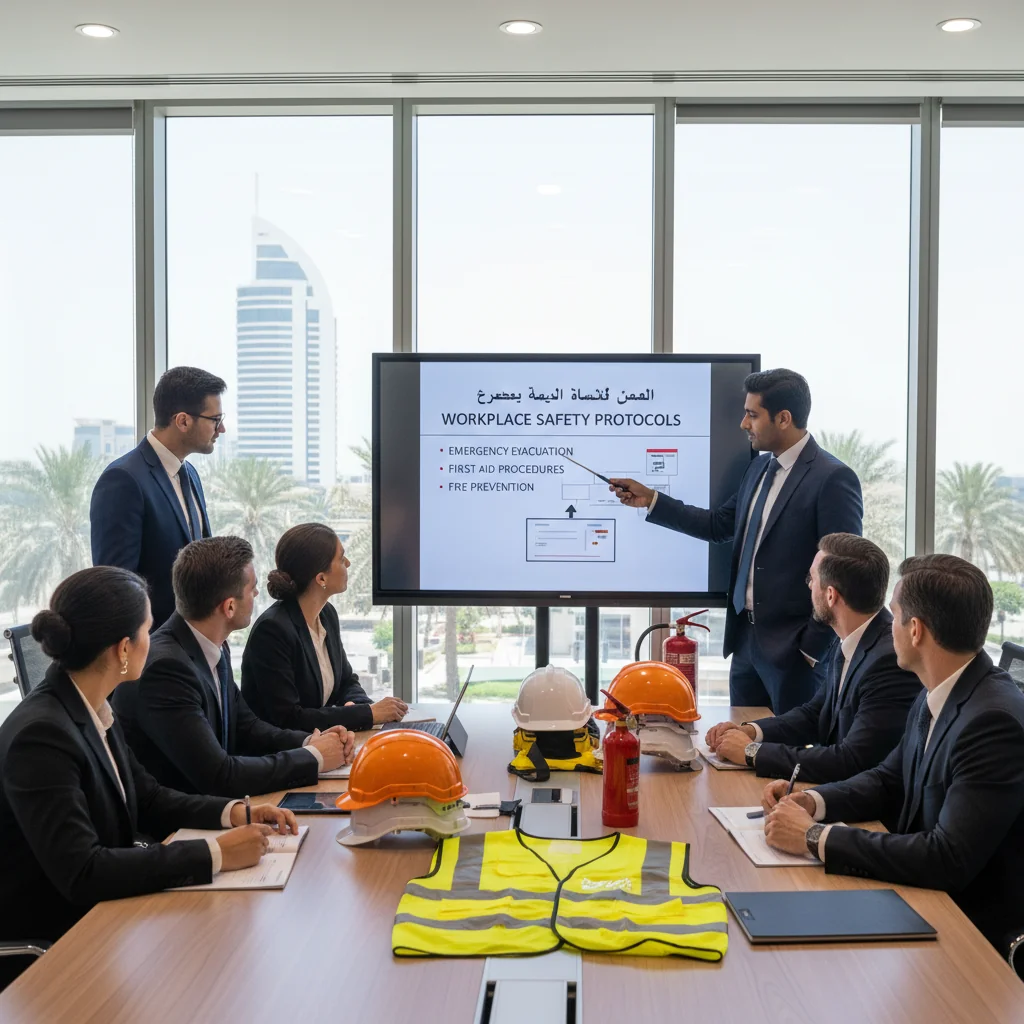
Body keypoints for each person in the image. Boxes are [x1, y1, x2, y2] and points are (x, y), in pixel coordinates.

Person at [0, 567, 297, 990]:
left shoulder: (91, 706)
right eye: (147, 629)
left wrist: (236, 812)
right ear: (124, 648)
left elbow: (149, 797)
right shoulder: (41, 735)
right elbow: (82, 871)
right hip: (59, 950)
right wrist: (214, 854)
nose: (153, 640)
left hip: (110, 921)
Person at [762, 554, 1024, 965]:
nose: (888, 627)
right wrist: (814, 802)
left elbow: (947, 858)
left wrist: (814, 838)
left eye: (895, 615)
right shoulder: (937, 689)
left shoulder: (992, 722)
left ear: (915, 631)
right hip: (918, 903)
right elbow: (888, 779)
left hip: (969, 937)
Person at [609, 368, 863, 713]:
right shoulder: (758, 469)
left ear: (784, 418)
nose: (744, 424)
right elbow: (719, 525)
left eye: (752, 415)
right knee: (741, 751)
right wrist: (651, 499)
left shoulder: (832, 478)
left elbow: (844, 574)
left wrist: (810, 650)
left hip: (794, 655)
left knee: (788, 758)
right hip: (745, 646)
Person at [112, 536, 354, 797]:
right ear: (229, 606)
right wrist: (314, 758)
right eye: (252, 590)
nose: (257, 595)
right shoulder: (167, 670)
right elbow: (219, 775)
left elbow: (246, 726)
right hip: (174, 828)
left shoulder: (212, 643)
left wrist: (311, 741)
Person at [704, 533, 920, 782]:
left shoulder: (888, 661)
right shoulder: (852, 640)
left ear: (831, 595)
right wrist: (752, 731)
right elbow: (815, 714)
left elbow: (850, 761)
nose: (808, 585)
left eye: (812, 578)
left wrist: (752, 753)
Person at [91, 366, 227, 630]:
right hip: (154, 652)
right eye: (215, 419)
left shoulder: (189, 473)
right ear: (183, 421)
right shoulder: (123, 480)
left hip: (197, 645)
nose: (221, 429)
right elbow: (117, 587)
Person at [241, 523, 407, 732]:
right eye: (341, 558)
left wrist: (357, 705)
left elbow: (346, 681)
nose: (348, 562)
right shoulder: (272, 631)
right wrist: (369, 713)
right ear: (321, 578)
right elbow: (289, 718)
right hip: (284, 755)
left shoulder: (327, 614)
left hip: (322, 745)